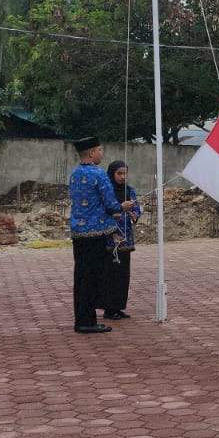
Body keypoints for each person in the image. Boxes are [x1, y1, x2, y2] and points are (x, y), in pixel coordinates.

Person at [67, 136, 130, 335]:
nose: (102, 154)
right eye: (100, 150)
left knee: (81, 276)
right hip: (97, 233)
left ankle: (83, 318)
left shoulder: (75, 174)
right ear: (92, 153)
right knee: (93, 278)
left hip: (78, 232)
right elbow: (111, 204)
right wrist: (123, 207)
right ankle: (87, 322)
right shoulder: (99, 174)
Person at [101, 160, 142, 320]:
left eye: (125, 173)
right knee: (110, 274)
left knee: (123, 275)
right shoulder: (106, 190)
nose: (122, 177)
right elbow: (103, 209)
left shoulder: (129, 190)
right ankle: (108, 309)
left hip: (125, 240)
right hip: (110, 239)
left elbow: (137, 208)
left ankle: (118, 307)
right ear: (112, 173)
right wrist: (117, 211)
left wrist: (134, 214)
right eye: (119, 173)